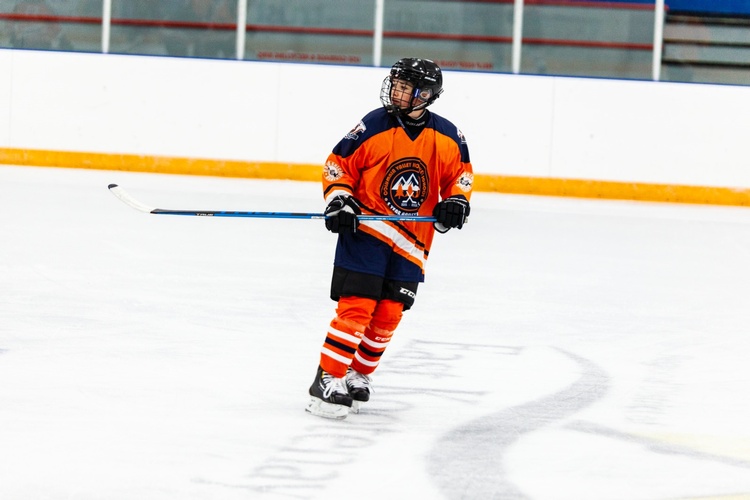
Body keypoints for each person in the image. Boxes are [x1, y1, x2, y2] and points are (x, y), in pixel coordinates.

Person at [306, 58, 474, 419]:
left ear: (426, 95)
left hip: (413, 241)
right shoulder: (373, 125)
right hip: (367, 230)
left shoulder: (447, 135)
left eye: (405, 87)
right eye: (395, 84)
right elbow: (338, 165)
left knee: (389, 314)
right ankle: (326, 379)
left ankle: (357, 374)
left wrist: (457, 201)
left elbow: (461, 176)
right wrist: (339, 198)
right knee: (357, 308)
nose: (395, 91)